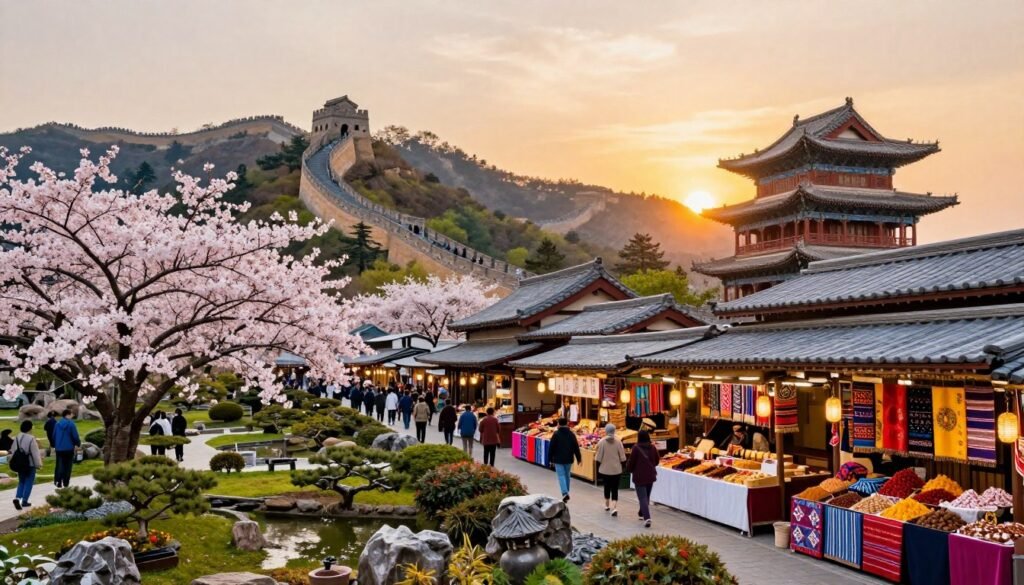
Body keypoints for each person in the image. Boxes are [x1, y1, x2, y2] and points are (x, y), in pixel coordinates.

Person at [627, 430, 659, 528]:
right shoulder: (653, 447)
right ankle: (641, 513)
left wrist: (629, 469)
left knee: (642, 497)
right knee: (646, 496)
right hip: (650, 475)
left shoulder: (636, 448)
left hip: (639, 476)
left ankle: (647, 517)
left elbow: (631, 462)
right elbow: (657, 460)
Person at [595, 423, 627, 516]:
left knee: (607, 486)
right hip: (616, 470)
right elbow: (623, 458)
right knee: (615, 488)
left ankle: (607, 505)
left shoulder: (602, 442)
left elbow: (598, 458)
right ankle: (614, 507)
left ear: (606, 431)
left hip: (605, 470)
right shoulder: (618, 442)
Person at [549, 417, 582, 503]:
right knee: (567, 475)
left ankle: (564, 493)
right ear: (567, 424)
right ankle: (566, 491)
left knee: (561, 476)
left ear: (559, 424)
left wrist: (550, 459)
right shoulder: (571, 434)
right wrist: (579, 458)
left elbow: (551, 447)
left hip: (558, 459)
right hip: (569, 458)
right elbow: (576, 447)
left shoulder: (556, 434)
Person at [11, 421, 42, 510]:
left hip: (19, 464)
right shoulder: (31, 438)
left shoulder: (17, 437)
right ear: (29, 428)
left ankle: (17, 497)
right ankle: (24, 501)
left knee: (21, 481)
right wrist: (38, 464)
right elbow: (35, 453)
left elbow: (13, 450)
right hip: (29, 463)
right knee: (29, 481)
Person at [52, 409, 79, 488]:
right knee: (68, 466)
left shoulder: (57, 424)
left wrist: (55, 444)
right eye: (71, 414)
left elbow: (53, 436)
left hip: (59, 448)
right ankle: (66, 482)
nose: (72, 416)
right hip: (69, 448)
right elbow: (75, 436)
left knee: (59, 465)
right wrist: (77, 443)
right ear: (68, 414)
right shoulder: (71, 424)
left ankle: (58, 481)